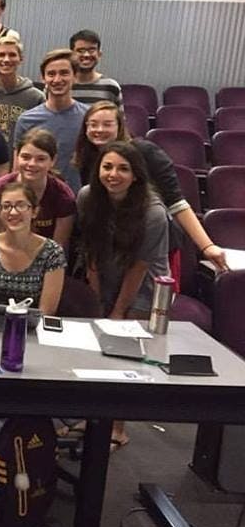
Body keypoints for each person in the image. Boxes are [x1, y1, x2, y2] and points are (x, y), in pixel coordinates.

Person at [78, 141, 169, 452]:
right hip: (103, 272)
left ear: (136, 175)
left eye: (122, 168)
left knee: (123, 355)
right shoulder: (88, 196)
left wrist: (117, 311)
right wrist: (96, 300)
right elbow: (89, 249)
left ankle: (117, 426)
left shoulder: (153, 212)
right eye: (107, 167)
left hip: (144, 287)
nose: (113, 174)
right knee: (92, 350)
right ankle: (92, 417)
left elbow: (140, 267)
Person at [73, 100, 227, 271]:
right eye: (93, 125)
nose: (99, 130)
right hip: (112, 245)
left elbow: (176, 203)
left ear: (120, 127)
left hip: (152, 242)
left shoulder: (147, 152)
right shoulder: (87, 157)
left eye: (107, 124)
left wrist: (207, 246)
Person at [0, 181, 66, 314]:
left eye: (21, 206)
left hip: (32, 328)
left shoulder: (53, 252)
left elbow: (47, 311)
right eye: (6, 206)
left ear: (34, 211)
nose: (13, 212)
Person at [13, 49, 90, 193]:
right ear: (43, 78)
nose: (57, 80)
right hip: (36, 198)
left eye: (64, 73)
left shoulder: (88, 117)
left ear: (75, 76)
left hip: (78, 197)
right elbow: (18, 169)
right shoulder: (26, 120)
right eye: (51, 74)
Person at [0, 128, 75, 248]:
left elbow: (59, 247)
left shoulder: (63, 196)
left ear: (53, 161)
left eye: (41, 159)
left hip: (47, 260)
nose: (32, 164)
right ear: (17, 156)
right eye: (26, 157)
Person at [0, 36, 44, 147]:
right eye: (1, 55)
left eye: (12, 55)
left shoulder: (36, 98)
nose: (6, 60)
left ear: (21, 59)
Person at [70, 29, 123, 105]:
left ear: (99, 54)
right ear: (71, 54)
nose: (86, 55)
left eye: (91, 50)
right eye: (81, 50)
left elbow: (119, 116)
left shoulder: (111, 87)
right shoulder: (62, 85)